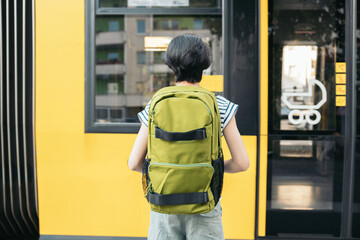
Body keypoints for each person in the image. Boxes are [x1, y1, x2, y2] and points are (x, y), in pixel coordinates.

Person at [128, 33, 250, 240]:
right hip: (205, 203)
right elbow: (241, 163)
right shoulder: (221, 106)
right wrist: (211, 169)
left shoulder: (154, 105)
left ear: (170, 64)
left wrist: (167, 172)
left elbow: (134, 163)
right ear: (205, 65)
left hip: (163, 202)